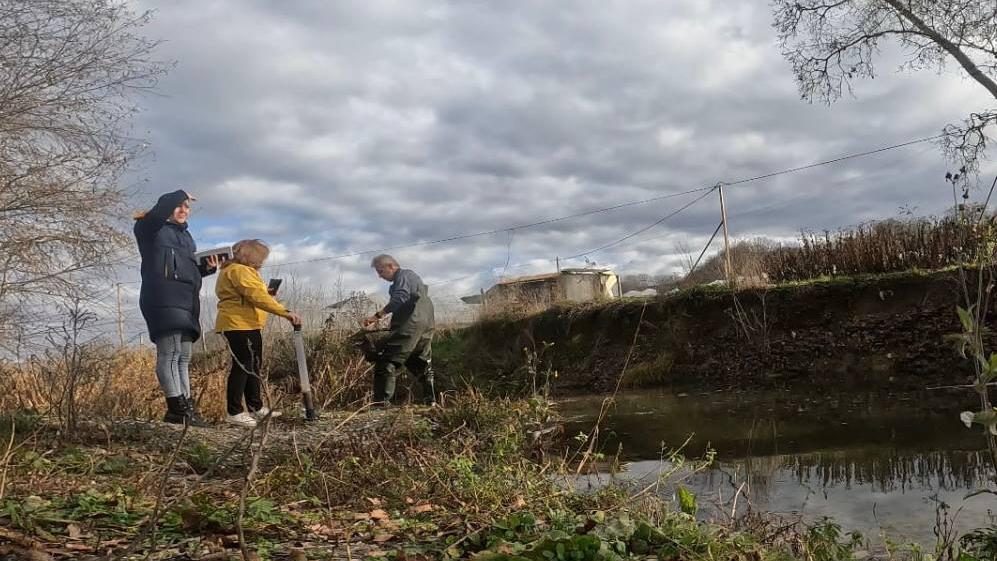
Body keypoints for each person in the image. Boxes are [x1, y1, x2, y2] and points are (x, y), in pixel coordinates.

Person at [134, 189, 217, 426]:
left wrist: (206, 269)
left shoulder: (186, 237)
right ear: (166, 208)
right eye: (178, 206)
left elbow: (181, 269)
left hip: (187, 301)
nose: (183, 210)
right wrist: (180, 193)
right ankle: (176, 409)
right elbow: (159, 212)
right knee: (169, 353)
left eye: (186, 207)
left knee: (183, 356)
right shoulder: (149, 229)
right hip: (161, 297)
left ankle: (186, 407)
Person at [215, 239, 302, 427]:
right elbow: (256, 296)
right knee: (243, 366)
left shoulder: (244, 271)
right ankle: (234, 411)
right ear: (250, 256)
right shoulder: (238, 270)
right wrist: (284, 312)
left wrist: (268, 295)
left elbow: (258, 295)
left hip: (249, 324)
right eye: (260, 257)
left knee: (254, 365)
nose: (261, 261)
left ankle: (255, 406)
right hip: (238, 324)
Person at [363, 254, 436, 406]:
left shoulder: (403, 275)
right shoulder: (414, 279)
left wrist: (377, 316)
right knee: (418, 362)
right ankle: (431, 401)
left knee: (386, 361)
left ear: (391, 266)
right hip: (426, 327)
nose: (379, 276)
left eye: (381, 271)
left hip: (410, 326)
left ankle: (380, 405)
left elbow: (400, 298)